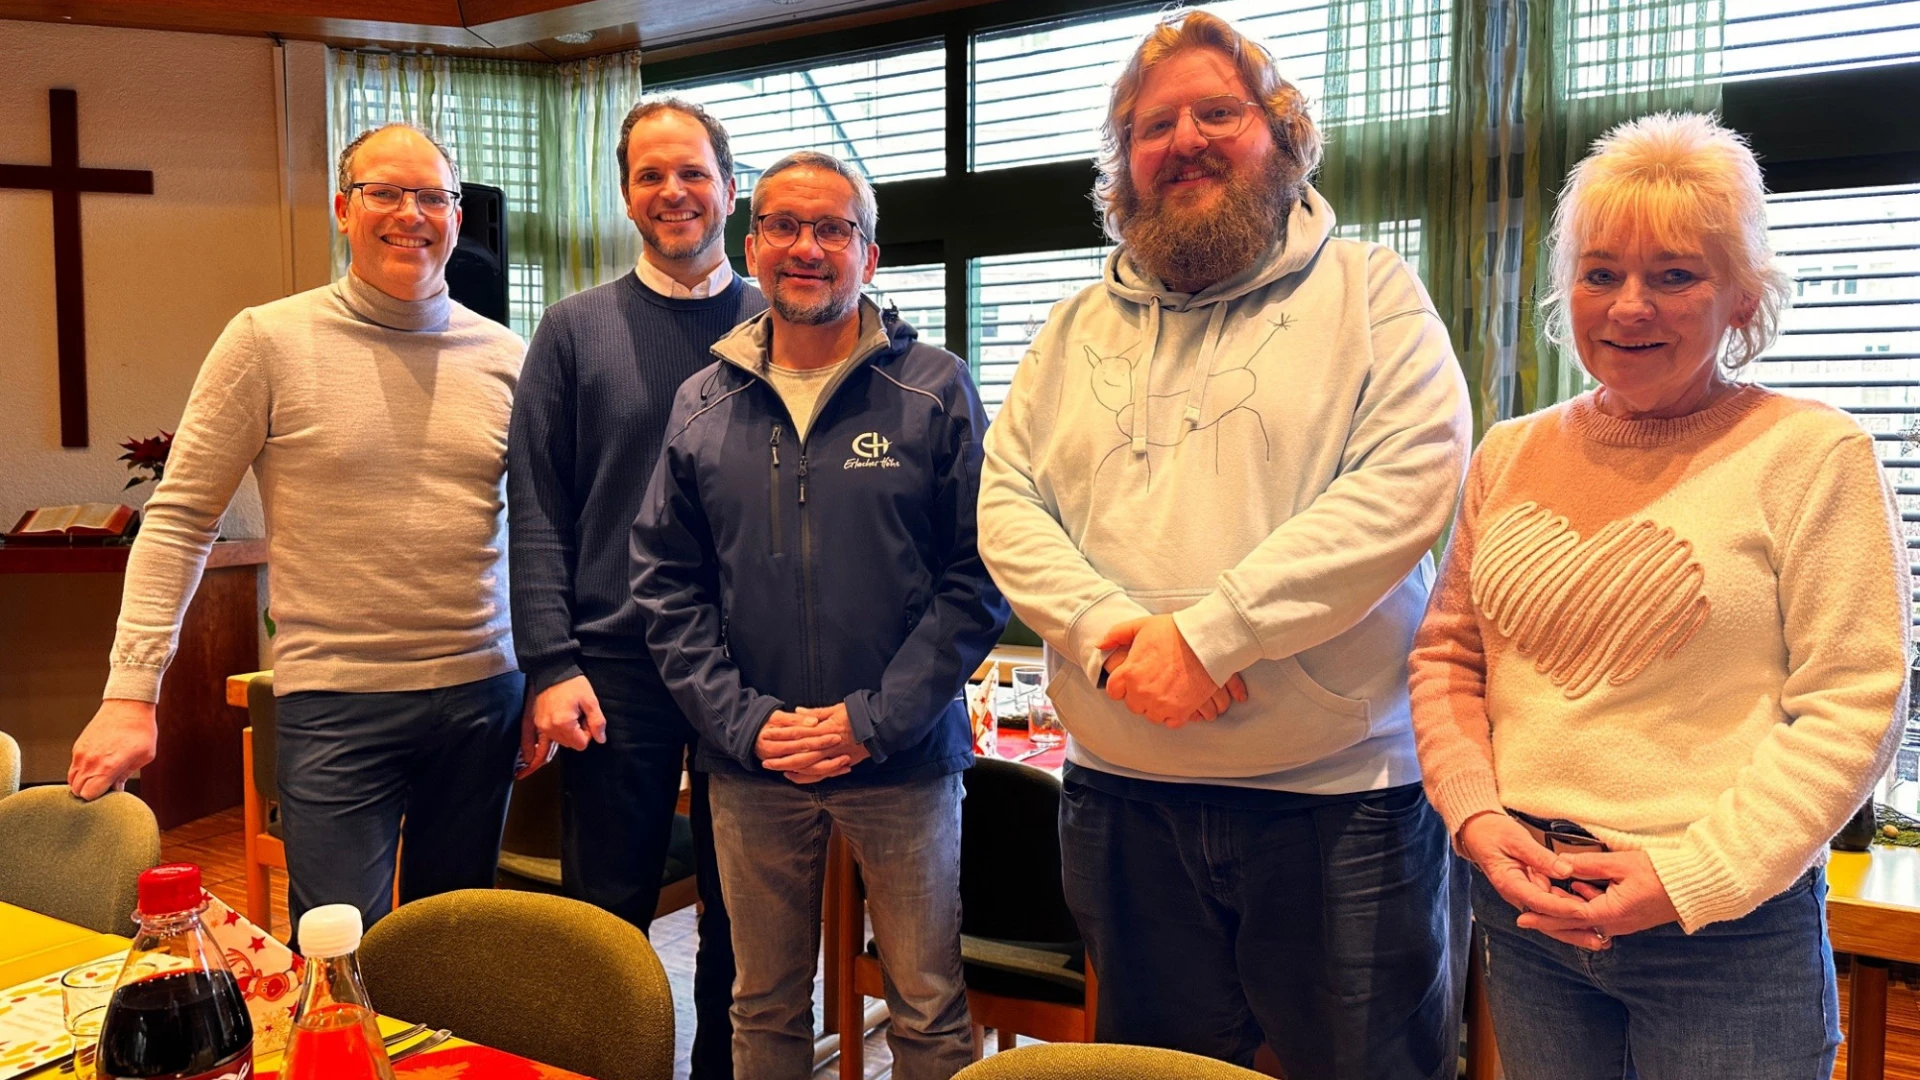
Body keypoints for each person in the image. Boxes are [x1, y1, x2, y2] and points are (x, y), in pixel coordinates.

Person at [975, 9, 1472, 1078]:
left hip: (1340, 801)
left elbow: (1405, 486)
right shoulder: (1070, 328)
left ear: (1285, 135)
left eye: (1219, 112)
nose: (1185, 139)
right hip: (1119, 792)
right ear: (1123, 167)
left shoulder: (1374, 293)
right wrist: (1117, 632)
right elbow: (1007, 502)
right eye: (1154, 126)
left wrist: (1210, 638)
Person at [1409, 111, 1908, 1080]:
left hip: (1723, 930)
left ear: (1740, 298)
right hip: (1527, 909)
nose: (1628, 305)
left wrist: (1686, 878)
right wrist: (1475, 819)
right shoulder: (1510, 454)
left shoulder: (1813, 455)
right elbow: (1448, 659)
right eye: (1600, 273)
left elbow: (1853, 705)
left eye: (1674, 275)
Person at [67, 123, 527, 936]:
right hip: (336, 702)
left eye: (432, 196)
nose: (410, 215)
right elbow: (178, 523)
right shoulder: (266, 340)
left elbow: (540, 532)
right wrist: (129, 694)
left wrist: (544, 670)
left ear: (457, 216)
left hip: (481, 699)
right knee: (333, 949)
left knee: (455, 947)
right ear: (344, 210)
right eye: (385, 192)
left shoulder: (506, 357)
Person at [632, 149, 1007, 1080]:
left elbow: (981, 577)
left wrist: (868, 723)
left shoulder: (936, 390)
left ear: (868, 255)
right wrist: (747, 724)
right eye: (786, 227)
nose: (808, 247)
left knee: (924, 1001)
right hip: (750, 761)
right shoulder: (702, 400)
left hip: (904, 759)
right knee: (761, 1005)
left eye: (832, 228)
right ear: (752, 245)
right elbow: (665, 583)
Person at [508, 97, 760, 1080]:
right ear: (625, 195)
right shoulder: (573, 332)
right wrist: (551, 662)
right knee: (605, 916)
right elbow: (537, 508)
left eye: (692, 171)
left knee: (746, 924)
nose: (673, 191)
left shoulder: (785, 324)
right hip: (613, 672)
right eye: (650, 175)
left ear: (729, 189)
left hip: (757, 669)